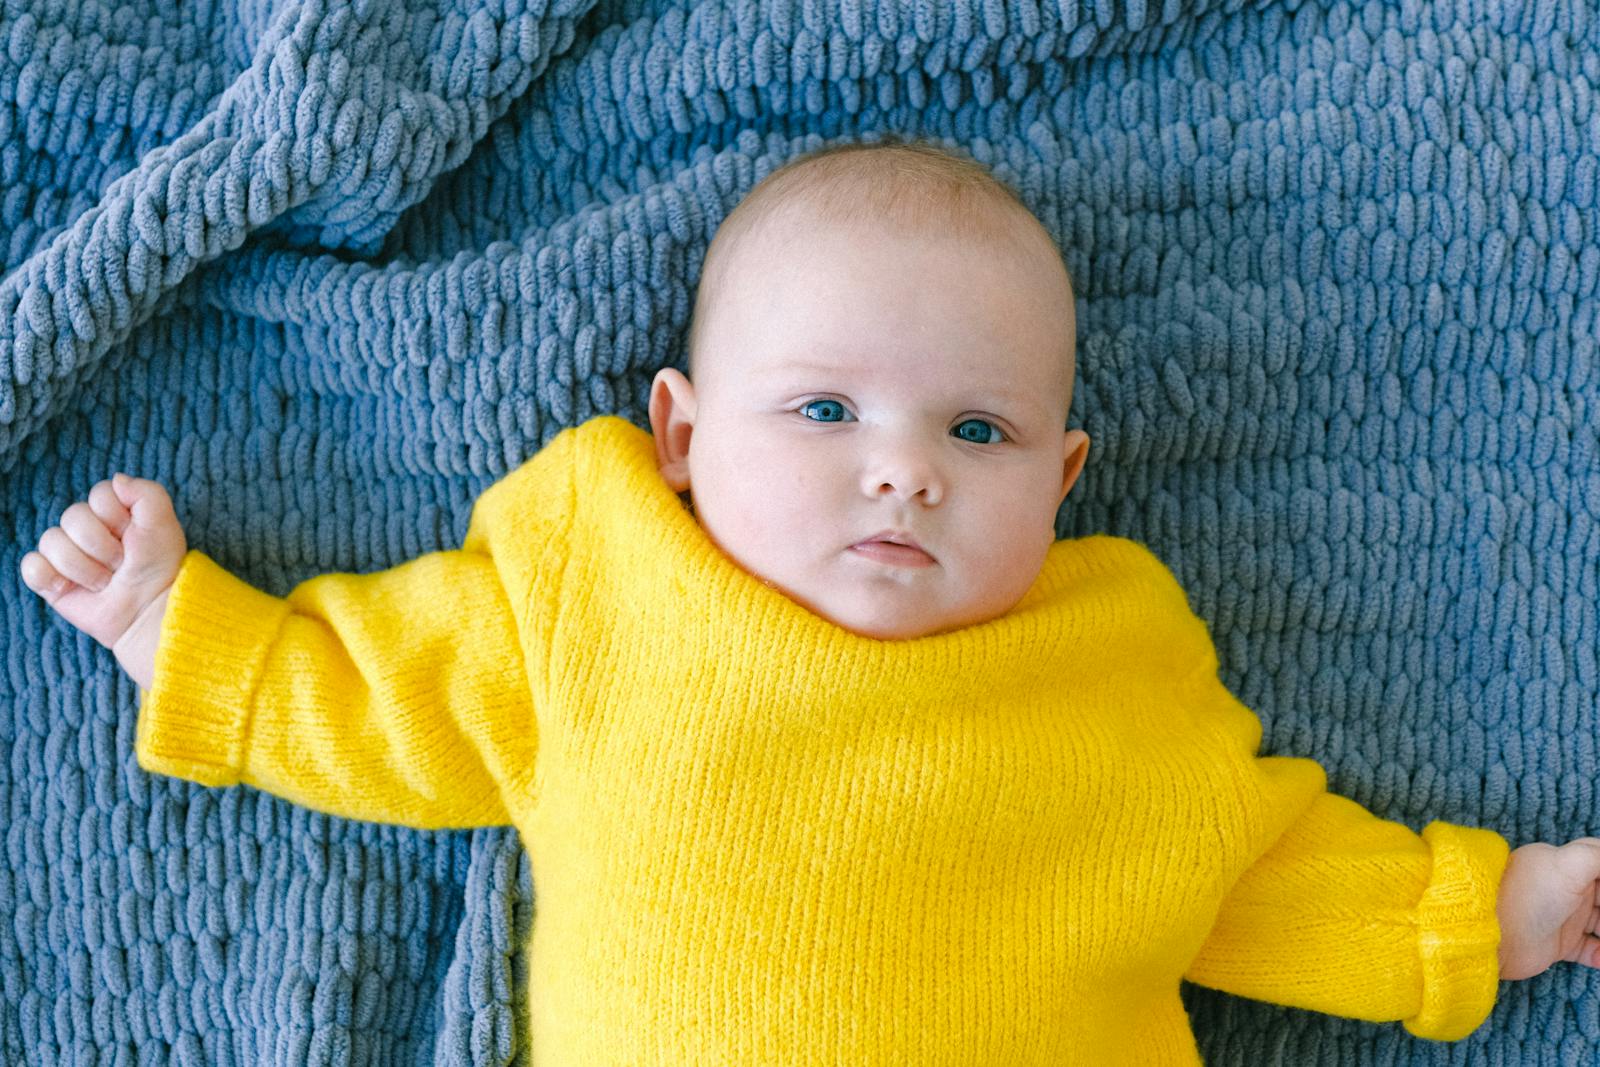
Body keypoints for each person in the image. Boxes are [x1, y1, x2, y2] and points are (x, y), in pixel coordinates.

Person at [19, 136, 1600, 1064]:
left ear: (1063, 486)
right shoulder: (601, 593)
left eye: (977, 432)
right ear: (683, 439)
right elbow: (376, 700)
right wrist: (180, 629)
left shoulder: (1115, 674)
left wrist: (1492, 911)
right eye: (825, 413)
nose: (903, 470)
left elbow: (1259, 872)